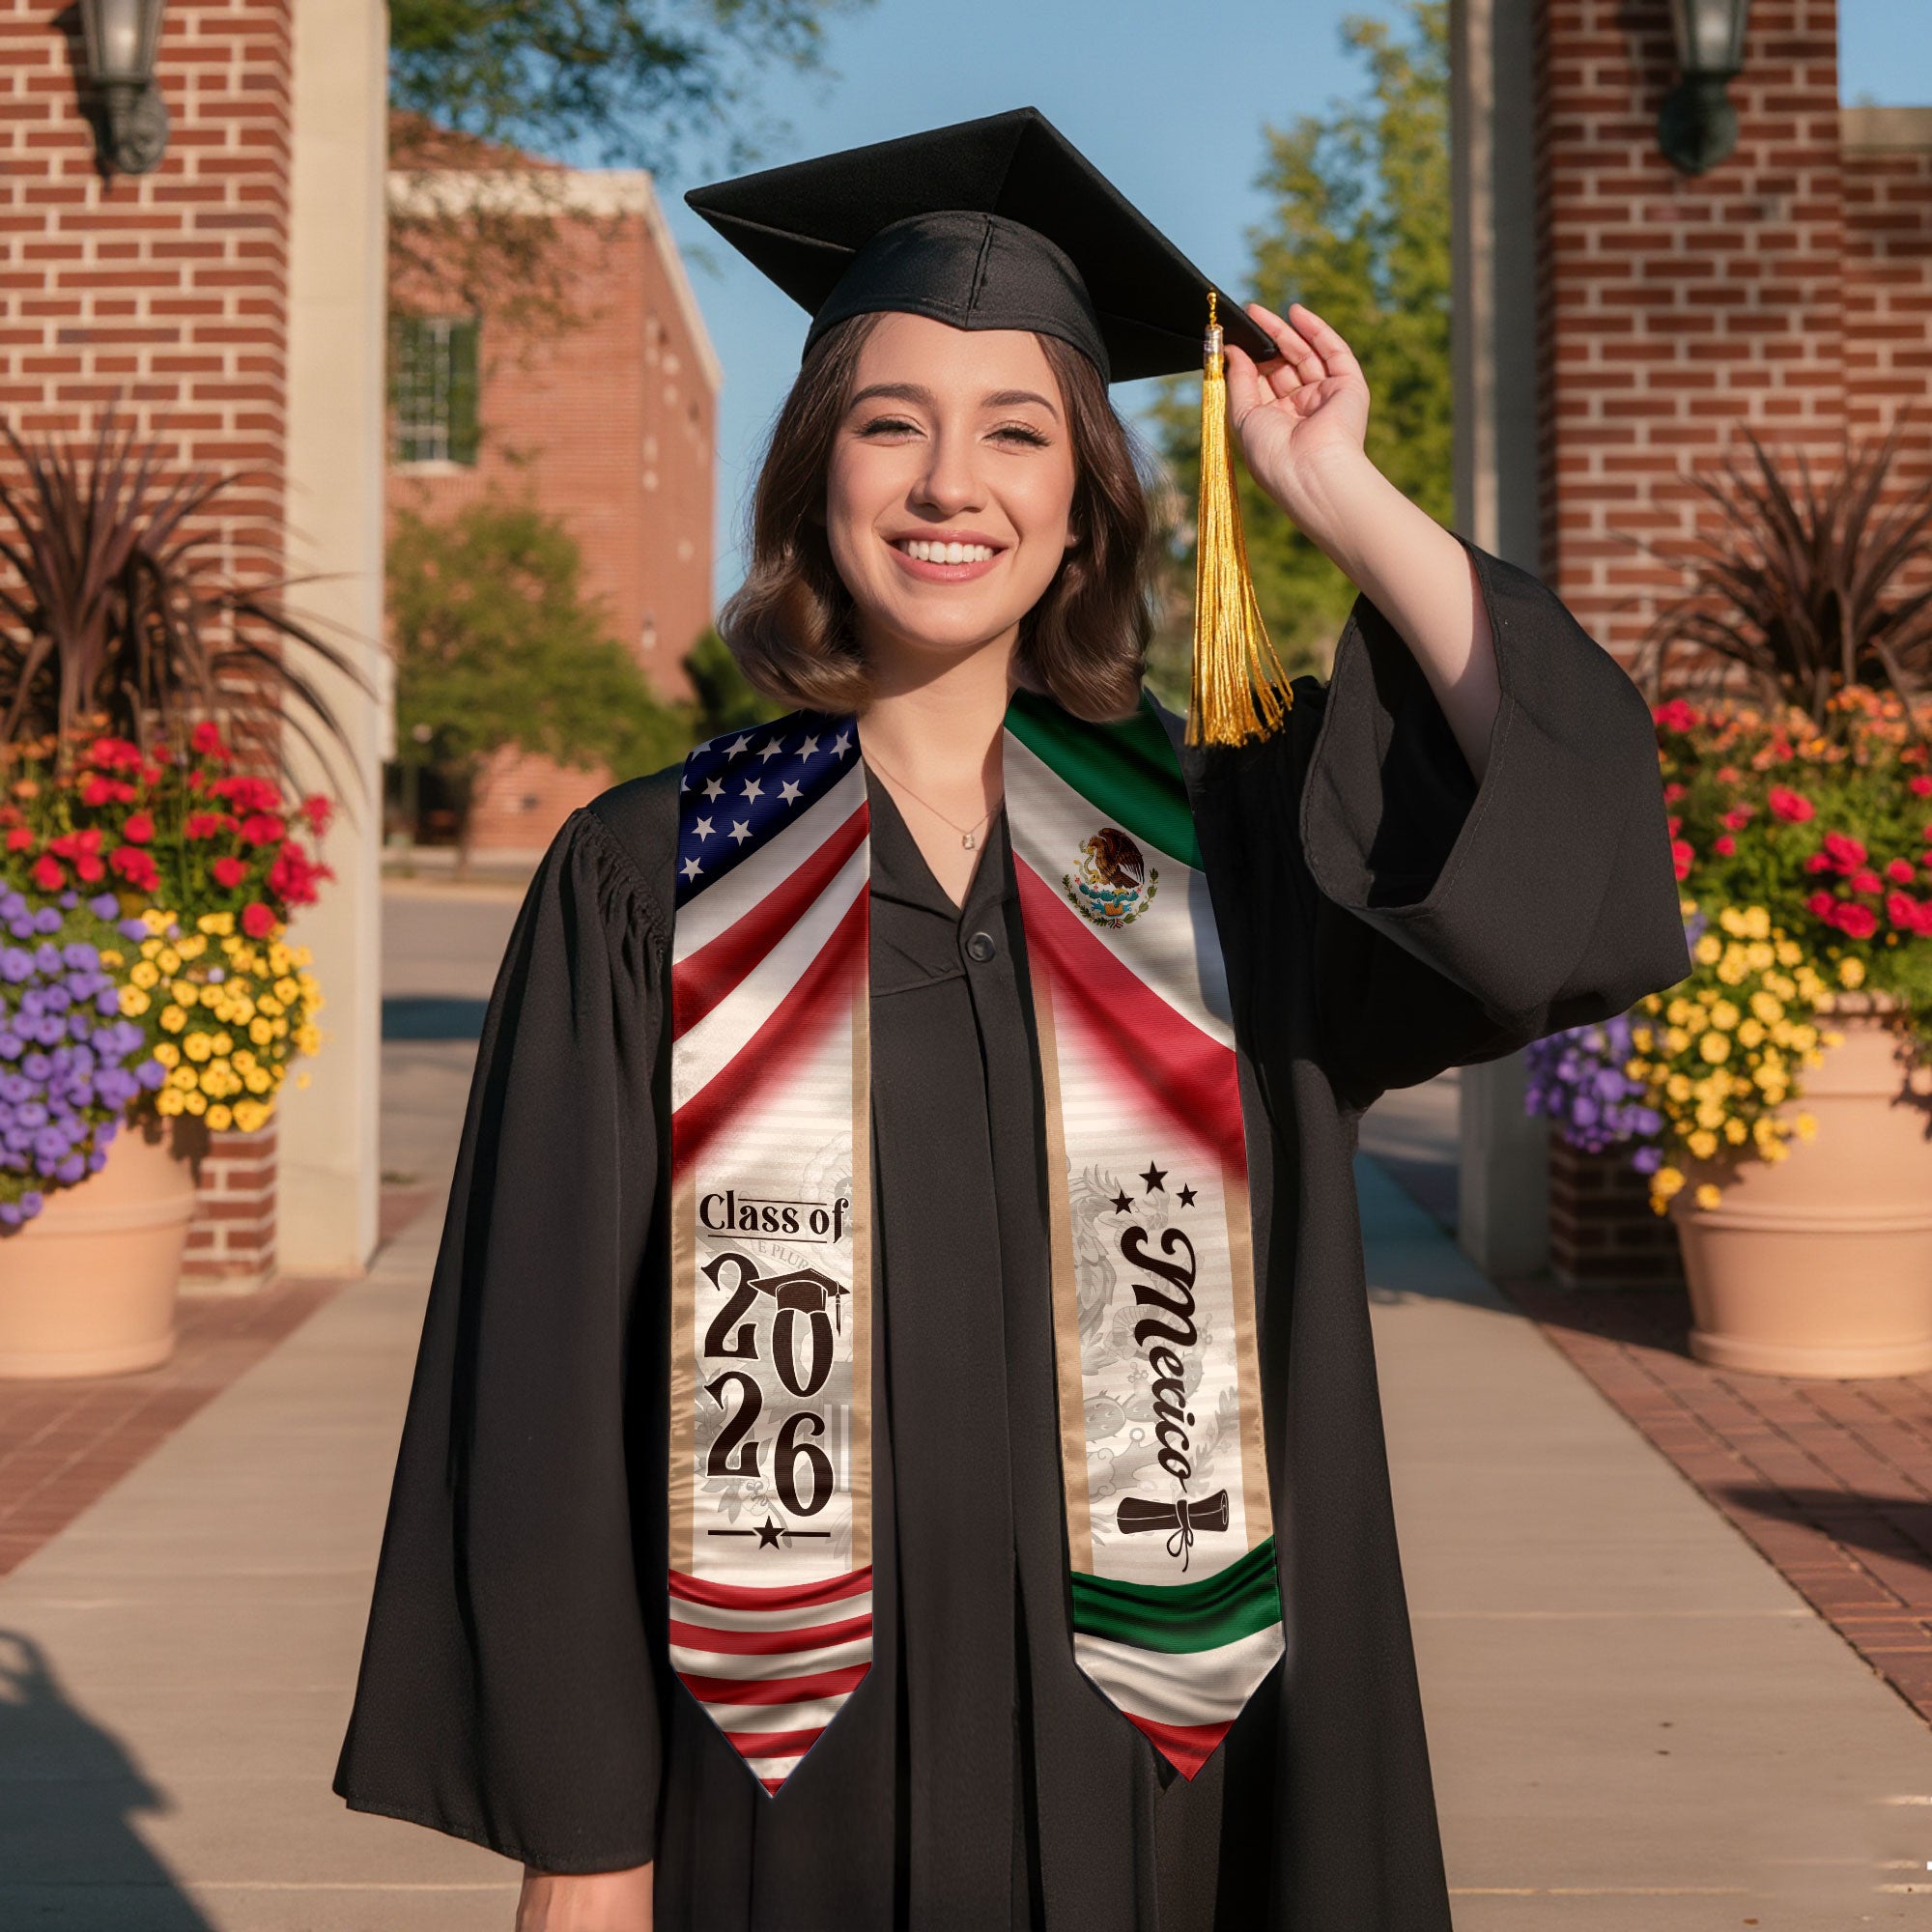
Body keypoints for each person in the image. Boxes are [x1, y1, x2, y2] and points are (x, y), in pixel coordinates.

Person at [332, 109, 1690, 1932]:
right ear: (818, 472)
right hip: (778, 1780)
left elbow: (1558, 839)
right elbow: (547, 1383)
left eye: (1016, 432)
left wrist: (1336, 491)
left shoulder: (1231, 856)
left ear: (1082, 505)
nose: (947, 483)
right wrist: (585, 1844)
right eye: (892, 424)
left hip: (1179, 1779)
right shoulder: (648, 878)